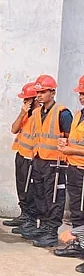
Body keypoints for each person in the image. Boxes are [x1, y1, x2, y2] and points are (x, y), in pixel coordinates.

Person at [22, 75, 72, 247]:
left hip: (55, 163)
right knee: (40, 194)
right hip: (39, 160)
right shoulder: (36, 113)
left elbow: (68, 138)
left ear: (53, 92)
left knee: (53, 197)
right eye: (38, 92)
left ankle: (51, 231)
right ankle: (43, 226)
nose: (39, 95)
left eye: (43, 92)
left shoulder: (63, 113)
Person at [53, 75, 84, 259]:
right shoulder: (79, 114)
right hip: (74, 168)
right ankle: (79, 245)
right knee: (76, 211)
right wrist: (65, 144)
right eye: (80, 93)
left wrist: (71, 149)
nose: (81, 97)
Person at [5, 82, 39, 230]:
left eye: (27, 100)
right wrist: (22, 112)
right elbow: (14, 129)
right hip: (21, 155)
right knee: (21, 187)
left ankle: (30, 220)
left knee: (30, 190)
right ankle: (24, 215)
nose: (24, 102)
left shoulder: (40, 116)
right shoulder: (27, 115)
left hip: (32, 158)